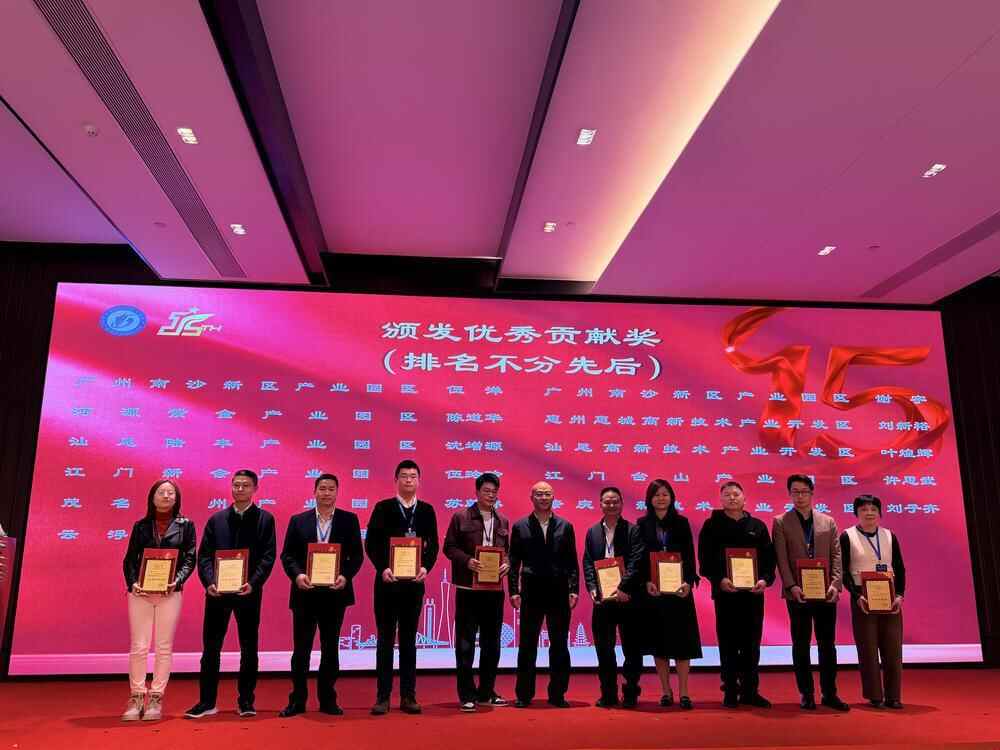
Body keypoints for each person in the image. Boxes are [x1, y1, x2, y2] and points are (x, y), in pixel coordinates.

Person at [185, 469, 276, 719]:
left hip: (248, 593)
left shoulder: (265, 519)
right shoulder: (217, 519)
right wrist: (209, 582)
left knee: (249, 648)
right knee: (211, 648)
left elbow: (268, 557)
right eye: (236, 485)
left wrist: (253, 583)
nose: (240, 489)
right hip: (218, 594)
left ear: (255, 489)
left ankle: (246, 701)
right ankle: (207, 702)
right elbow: (204, 556)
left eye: (245, 485)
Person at [278, 473, 364, 717]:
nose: (326, 493)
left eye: (331, 489)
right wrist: (297, 576)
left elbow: (357, 555)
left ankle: (328, 699)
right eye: (322, 488)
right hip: (305, 594)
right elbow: (287, 555)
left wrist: (345, 576)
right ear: (314, 492)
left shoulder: (349, 520)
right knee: (301, 651)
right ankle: (297, 700)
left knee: (330, 649)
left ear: (337, 492)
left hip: (335, 595)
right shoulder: (299, 521)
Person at [365, 460, 439, 715]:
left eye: (413, 476)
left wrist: (426, 567)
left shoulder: (427, 510)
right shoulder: (383, 508)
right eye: (404, 476)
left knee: (408, 641)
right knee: (385, 640)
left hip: (414, 586)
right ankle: (382, 697)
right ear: (396, 480)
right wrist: (382, 568)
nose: (408, 480)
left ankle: (408, 695)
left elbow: (434, 545)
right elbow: (371, 543)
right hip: (387, 584)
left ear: (419, 481)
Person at [120, 479, 196, 721]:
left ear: (177, 498)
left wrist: (178, 580)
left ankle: (156, 697)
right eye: (161, 492)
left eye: (170, 492)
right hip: (141, 593)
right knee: (139, 647)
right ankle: (136, 696)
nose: (166, 496)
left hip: (169, 593)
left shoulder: (186, 525)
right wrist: (133, 583)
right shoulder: (141, 526)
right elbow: (130, 559)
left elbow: (190, 558)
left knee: (164, 647)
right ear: (152, 497)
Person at [773, 474, 849, 711]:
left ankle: (830, 693)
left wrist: (835, 584)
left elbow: (837, 555)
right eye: (795, 492)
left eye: (804, 491)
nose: (800, 496)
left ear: (812, 493)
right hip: (797, 593)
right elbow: (781, 558)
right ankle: (806, 693)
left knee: (827, 644)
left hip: (826, 593)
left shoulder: (828, 521)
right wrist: (791, 586)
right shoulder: (781, 522)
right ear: (789, 494)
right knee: (801, 643)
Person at [698, 481, 775, 709]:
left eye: (736, 494)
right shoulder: (711, 525)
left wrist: (765, 580)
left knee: (752, 643)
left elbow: (768, 559)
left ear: (744, 498)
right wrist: (719, 579)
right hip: (726, 594)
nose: (732, 498)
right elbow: (705, 560)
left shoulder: (758, 526)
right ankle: (730, 690)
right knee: (728, 643)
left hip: (753, 595)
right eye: (727, 495)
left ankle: (750, 691)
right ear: (721, 499)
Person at [443, 472, 511, 711]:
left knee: (492, 644)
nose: (490, 495)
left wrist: (507, 564)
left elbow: (507, 552)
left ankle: (486, 691)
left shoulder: (503, 521)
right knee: (465, 643)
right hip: (468, 589)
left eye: (494, 492)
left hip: (494, 590)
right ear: (477, 492)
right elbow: (449, 547)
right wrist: (467, 561)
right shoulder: (461, 516)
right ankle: (466, 694)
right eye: (486, 491)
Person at [508, 481, 579, 708]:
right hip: (532, 590)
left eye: (547, 494)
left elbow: (571, 562)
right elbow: (513, 561)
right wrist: (514, 590)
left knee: (559, 644)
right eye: (539, 494)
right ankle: (524, 694)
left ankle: (558, 694)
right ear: (532, 497)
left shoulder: (565, 526)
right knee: (527, 645)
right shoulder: (521, 526)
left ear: (553, 497)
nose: (543, 497)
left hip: (559, 590)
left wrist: (574, 589)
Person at [637, 479, 701, 710]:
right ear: (649, 499)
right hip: (654, 593)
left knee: (682, 644)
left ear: (671, 497)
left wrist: (688, 582)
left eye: (665, 494)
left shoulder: (681, 523)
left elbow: (690, 555)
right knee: (659, 644)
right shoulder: (642, 524)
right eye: (656, 494)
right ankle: (666, 691)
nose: (661, 498)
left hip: (679, 592)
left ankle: (684, 692)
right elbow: (639, 558)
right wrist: (646, 582)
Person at [840, 494, 906, 709]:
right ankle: (874, 696)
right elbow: (843, 571)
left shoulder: (889, 535)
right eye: (863, 509)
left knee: (893, 649)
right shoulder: (847, 536)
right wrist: (855, 595)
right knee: (867, 648)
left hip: (889, 596)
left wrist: (899, 595)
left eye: (873, 509)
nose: (869, 513)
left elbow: (899, 567)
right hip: (862, 596)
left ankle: (893, 696)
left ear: (880, 513)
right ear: (856, 513)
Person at [582, 486, 644, 708]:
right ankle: (608, 693)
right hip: (603, 600)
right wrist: (592, 587)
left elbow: (637, 561)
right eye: (607, 501)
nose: (611, 505)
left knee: (632, 649)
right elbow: (588, 561)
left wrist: (624, 587)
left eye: (615, 501)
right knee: (604, 649)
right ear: (600, 504)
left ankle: (631, 692)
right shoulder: (592, 532)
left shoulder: (633, 530)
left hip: (627, 598)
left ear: (622, 504)